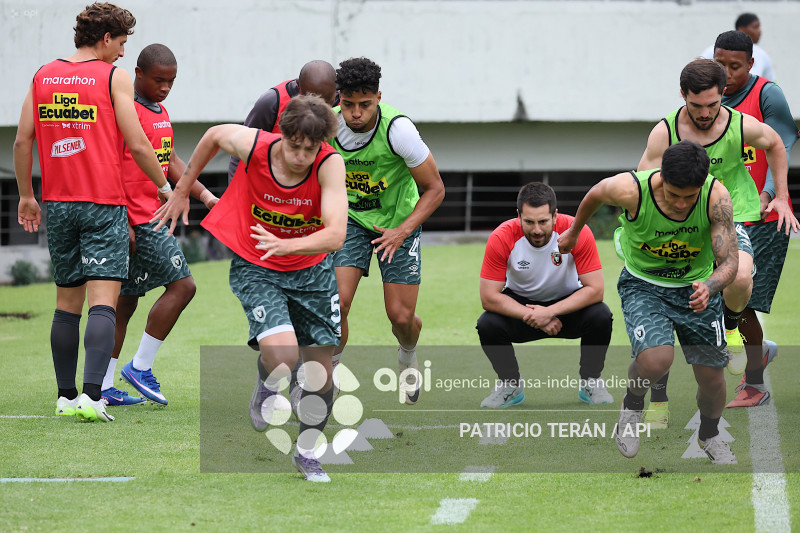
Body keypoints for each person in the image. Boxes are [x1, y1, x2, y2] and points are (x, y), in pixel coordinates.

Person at [153, 95, 347, 483]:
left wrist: (288, 245)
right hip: (258, 265)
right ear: (282, 134)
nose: (301, 156)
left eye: (310, 149)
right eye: (294, 146)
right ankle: (267, 380)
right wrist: (183, 188)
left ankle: (307, 452)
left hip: (311, 271)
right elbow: (213, 136)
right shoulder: (255, 145)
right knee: (282, 356)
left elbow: (336, 234)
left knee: (321, 375)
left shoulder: (329, 164)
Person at [13, 2, 173, 423]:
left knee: (67, 302)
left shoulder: (43, 74)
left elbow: (22, 141)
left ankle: (65, 397)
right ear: (105, 38)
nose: (122, 52)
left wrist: (26, 195)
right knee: (103, 301)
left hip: (58, 205)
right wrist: (165, 187)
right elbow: (138, 144)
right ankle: (92, 396)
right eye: (121, 42)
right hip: (103, 204)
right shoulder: (112, 76)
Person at [636, 58, 798, 428]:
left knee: (740, 278)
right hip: (681, 227)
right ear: (683, 95)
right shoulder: (665, 132)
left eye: (713, 103)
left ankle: (731, 326)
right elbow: (643, 182)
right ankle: (657, 400)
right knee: (665, 310)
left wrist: (782, 196)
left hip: (730, 216)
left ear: (723, 93)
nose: (706, 113)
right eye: (697, 105)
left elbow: (776, 143)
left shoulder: (740, 124)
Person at [559, 141, 740, 464]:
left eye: (690, 197)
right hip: (644, 285)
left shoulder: (716, 199)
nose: (681, 204)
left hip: (696, 289)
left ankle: (709, 434)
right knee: (657, 360)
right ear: (661, 178)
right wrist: (574, 231)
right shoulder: (631, 190)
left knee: (712, 380)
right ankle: (632, 406)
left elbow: (729, 262)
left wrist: (710, 286)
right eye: (674, 195)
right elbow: (596, 193)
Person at [99, 44, 219, 407]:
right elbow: (108, 168)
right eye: (158, 80)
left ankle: (103, 386)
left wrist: (206, 196)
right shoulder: (126, 111)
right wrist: (121, 221)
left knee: (125, 305)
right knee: (183, 286)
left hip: (149, 216)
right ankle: (140, 366)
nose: (165, 87)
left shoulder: (160, 110)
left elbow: (170, 161)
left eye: (171, 81)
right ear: (138, 74)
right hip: (140, 220)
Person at [329, 57, 445, 405]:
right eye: (348, 104)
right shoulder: (328, 125)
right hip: (351, 221)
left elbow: (435, 189)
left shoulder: (399, 131)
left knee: (400, 316)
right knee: (337, 304)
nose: (356, 114)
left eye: (365, 104)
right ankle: (329, 375)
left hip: (398, 222)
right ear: (338, 99)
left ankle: (408, 356)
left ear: (379, 97)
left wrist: (402, 231)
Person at [476, 182, 614, 408]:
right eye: (529, 222)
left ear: (555, 215)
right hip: (523, 309)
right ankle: (510, 385)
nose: (537, 230)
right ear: (519, 216)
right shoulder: (501, 236)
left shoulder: (575, 231)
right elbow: (489, 297)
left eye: (543, 221)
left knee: (601, 315)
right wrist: (534, 316)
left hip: (566, 307)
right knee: (487, 324)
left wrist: (549, 312)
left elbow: (596, 290)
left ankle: (591, 382)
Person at [227, 60, 337, 181]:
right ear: (298, 86)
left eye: (326, 102)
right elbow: (242, 147)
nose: (319, 109)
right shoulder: (272, 102)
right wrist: (234, 189)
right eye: (312, 101)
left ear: (336, 90)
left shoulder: (345, 104)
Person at [701, 13, 776, 81]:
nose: (760, 31)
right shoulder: (714, 51)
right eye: (755, 27)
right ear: (742, 29)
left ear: (750, 63)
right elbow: (698, 76)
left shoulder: (761, 54)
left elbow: (772, 82)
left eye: (735, 67)